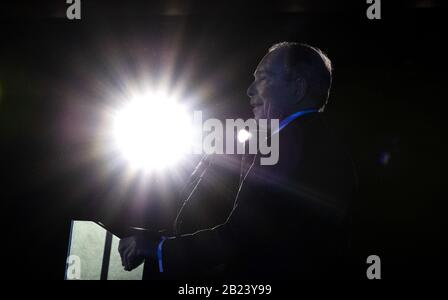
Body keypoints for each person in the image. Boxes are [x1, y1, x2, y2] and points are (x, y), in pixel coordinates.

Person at [118, 42, 357, 279]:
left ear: (297, 88)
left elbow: (239, 239)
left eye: (262, 77)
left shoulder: (287, 144)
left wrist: (157, 248)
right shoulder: (322, 145)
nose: (250, 90)